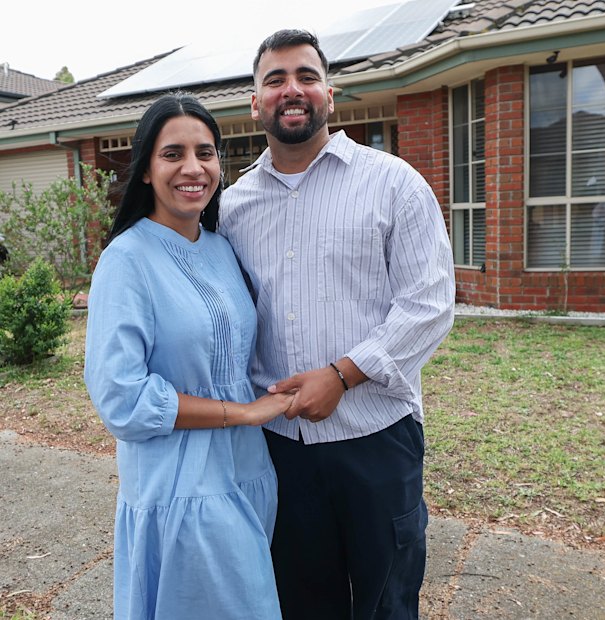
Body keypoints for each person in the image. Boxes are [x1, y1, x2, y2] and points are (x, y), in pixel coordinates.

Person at [219, 29, 456, 620]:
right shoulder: (232, 208)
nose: (291, 89)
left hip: (376, 437)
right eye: (274, 80)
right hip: (279, 448)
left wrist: (343, 374)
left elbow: (429, 303)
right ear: (255, 103)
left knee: (387, 599)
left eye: (305, 76)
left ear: (331, 92)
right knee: (299, 599)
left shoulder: (393, 182)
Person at [84, 92, 292, 620]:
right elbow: (121, 396)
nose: (193, 168)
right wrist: (242, 412)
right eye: (172, 153)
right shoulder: (126, 260)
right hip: (183, 487)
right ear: (147, 171)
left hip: (248, 473)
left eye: (206, 152)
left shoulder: (221, 247)